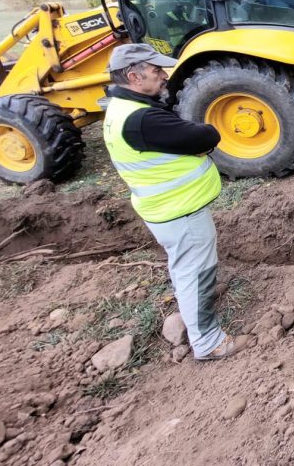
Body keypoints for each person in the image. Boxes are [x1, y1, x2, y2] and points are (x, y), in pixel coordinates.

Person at [102, 44, 248, 361]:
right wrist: (199, 140)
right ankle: (208, 343)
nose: (164, 76)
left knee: (186, 270)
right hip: (180, 214)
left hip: (168, 211)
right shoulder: (141, 119)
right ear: (133, 76)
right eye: (156, 72)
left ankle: (195, 320)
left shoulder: (121, 109)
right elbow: (205, 136)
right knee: (196, 273)